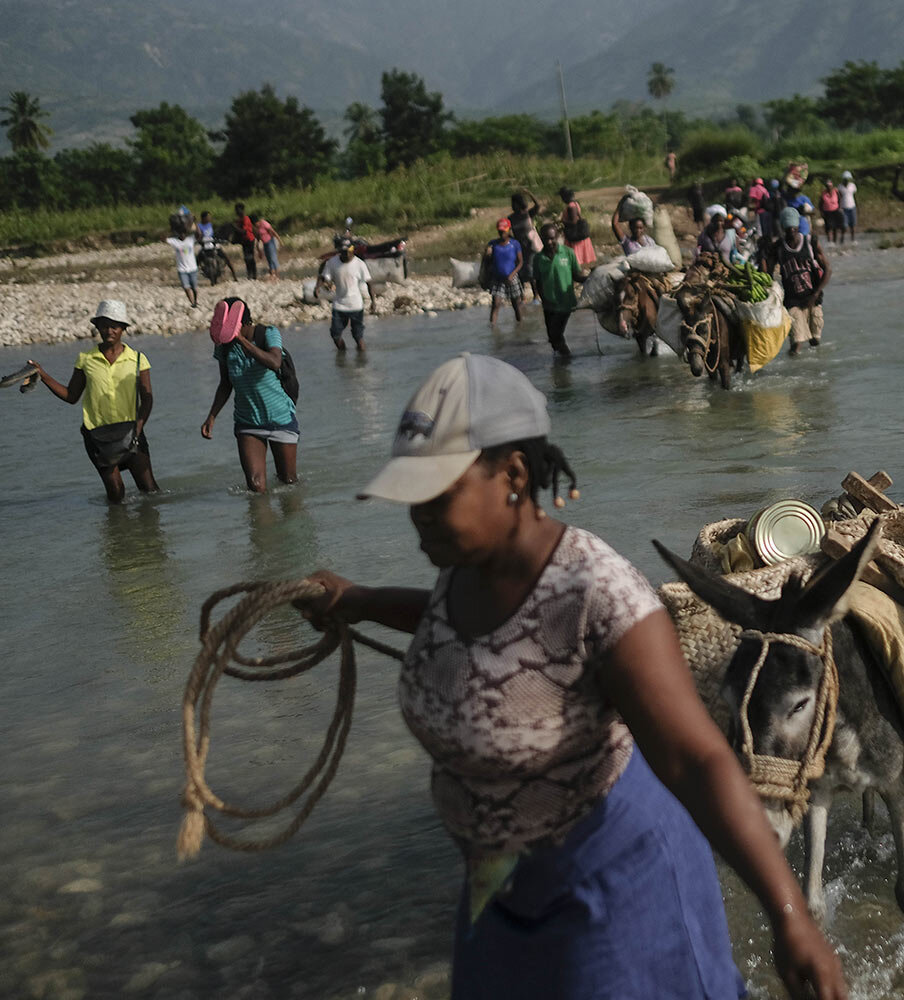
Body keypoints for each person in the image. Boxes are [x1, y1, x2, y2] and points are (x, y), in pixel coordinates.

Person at [292, 354, 848, 1000]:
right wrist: (357, 601)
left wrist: (789, 916)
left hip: (613, 891)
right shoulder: (464, 567)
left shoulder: (599, 594)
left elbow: (697, 761)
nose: (418, 515)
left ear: (514, 475)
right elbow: (473, 636)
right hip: (498, 888)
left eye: (436, 496)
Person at [27, 300, 160, 504]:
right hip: (98, 437)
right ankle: (116, 533)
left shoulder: (138, 359)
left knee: (150, 491)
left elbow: (148, 398)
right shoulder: (86, 359)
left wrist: (139, 427)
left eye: (115, 325)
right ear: (97, 327)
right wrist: (42, 375)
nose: (109, 330)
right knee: (116, 493)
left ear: (123, 329)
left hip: (132, 433)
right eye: (104, 325)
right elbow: (71, 396)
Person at [201, 296, 299, 492]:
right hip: (248, 421)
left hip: (280, 417)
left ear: (245, 323)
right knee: (255, 486)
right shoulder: (224, 347)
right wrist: (211, 416)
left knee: (288, 482)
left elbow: (274, 362)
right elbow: (225, 383)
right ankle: (263, 522)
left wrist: (242, 340)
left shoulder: (268, 333)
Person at [768, 206, 831, 356]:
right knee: (796, 343)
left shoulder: (810, 243)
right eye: (788, 229)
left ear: (798, 227)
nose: (791, 232)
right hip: (793, 301)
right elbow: (768, 273)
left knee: (815, 340)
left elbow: (827, 270)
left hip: (813, 298)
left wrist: (816, 294)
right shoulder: (779, 248)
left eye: (794, 229)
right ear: (783, 228)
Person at [532, 224, 585, 360]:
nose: (549, 242)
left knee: (556, 335)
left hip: (565, 303)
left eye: (552, 238)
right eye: (546, 239)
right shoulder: (538, 258)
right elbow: (538, 281)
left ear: (557, 237)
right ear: (541, 239)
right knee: (552, 338)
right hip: (549, 305)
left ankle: (568, 360)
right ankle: (560, 364)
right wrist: (543, 299)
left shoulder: (568, 253)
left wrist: (589, 278)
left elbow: (577, 275)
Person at [317, 237, 374, 352]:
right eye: (343, 252)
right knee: (335, 335)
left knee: (358, 336)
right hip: (339, 305)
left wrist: (373, 302)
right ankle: (342, 355)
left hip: (356, 305)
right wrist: (318, 287)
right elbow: (324, 277)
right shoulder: (332, 263)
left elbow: (369, 283)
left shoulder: (359, 264)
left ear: (352, 250)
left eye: (347, 251)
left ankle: (362, 361)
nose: (345, 254)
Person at [483, 219, 524, 325]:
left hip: (512, 278)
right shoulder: (493, 245)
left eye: (504, 231)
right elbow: (486, 263)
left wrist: (512, 275)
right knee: (496, 304)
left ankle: (520, 325)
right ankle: (493, 327)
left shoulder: (515, 244)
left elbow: (520, 262)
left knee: (516, 305)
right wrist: (487, 255)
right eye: (500, 231)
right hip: (498, 279)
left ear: (509, 230)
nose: (502, 234)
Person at [508, 190, 542, 300]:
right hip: (519, 247)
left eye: (514, 203)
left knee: (530, 270)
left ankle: (536, 295)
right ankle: (522, 296)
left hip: (531, 246)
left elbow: (538, 205)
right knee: (521, 272)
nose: (513, 205)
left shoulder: (528, 214)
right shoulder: (511, 218)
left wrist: (529, 193)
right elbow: (508, 232)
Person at [558, 187, 596, 268]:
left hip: (574, 237)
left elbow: (574, 221)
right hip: (576, 235)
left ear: (565, 197)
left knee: (575, 259)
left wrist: (562, 222)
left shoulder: (571, 206)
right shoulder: (575, 204)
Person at [165, 227, 200, 308]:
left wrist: (196, 224)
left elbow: (199, 235)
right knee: (186, 287)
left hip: (192, 268)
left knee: (194, 288)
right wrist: (170, 230)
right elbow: (164, 239)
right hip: (182, 269)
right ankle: (193, 303)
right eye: (180, 233)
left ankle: (195, 301)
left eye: (184, 233)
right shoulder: (174, 241)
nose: (182, 235)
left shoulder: (190, 239)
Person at [232, 203, 257, 281]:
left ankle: (253, 274)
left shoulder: (246, 219)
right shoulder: (240, 219)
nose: (236, 212)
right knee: (246, 258)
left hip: (249, 239)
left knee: (250, 257)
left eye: (237, 210)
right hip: (244, 240)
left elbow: (244, 231)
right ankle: (250, 274)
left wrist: (234, 227)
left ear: (241, 210)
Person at [254, 215, 282, 280]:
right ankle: (272, 274)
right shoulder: (257, 227)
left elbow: (272, 231)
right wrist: (258, 249)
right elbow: (258, 237)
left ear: (257, 222)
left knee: (273, 257)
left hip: (270, 242)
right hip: (265, 243)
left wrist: (279, 240)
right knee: (269, 258)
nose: (256, 225)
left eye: (256, 224)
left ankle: (277, 274)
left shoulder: (264, 223)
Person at [819, 179, 844, 244]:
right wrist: (821, 212)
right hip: (827, 212)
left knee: (835, 227)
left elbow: (840, 199)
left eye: (830, 186)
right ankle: (829, 241)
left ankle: (834, 241)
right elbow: (820, 203)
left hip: (835, 211)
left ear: (832, 186)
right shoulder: (823, 193)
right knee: (828, 227)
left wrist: (840, 208)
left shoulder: (836, 191)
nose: (829, 187)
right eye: (827, 186)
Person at [837, 170, 858, 243]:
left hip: (852, 207)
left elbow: (855, 197)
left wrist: (857, 207)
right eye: (845, 179)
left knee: (853, 225)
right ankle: (842, 240)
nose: (846, 180)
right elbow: (838, 198)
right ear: (843, 179)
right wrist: (839, 207)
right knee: (844, 226)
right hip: (843, 208)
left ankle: (853, 240)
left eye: (848, 179)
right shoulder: (840, 187)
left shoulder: (852, 186)